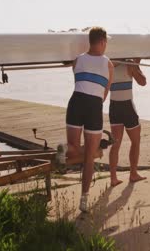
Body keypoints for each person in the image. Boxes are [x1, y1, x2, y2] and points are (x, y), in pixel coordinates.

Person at [56, 27, 114, 212]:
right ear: (103, 42)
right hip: (94, 107)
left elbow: (76, 74)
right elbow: (105, 94)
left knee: (73, 149)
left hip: (76, 102)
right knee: (89, 156)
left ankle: (64, 148)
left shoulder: (78, 60)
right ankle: (84, 200)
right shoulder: (109, 65)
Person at [108, 59, 147, 186]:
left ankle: (114, 178)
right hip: (127, 107)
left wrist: (135, 65)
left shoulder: (109, 64)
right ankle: (133, 174)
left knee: (116, 145)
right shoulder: (129, 65)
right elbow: (143, 82)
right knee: (135, 142)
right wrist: (136, 65)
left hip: (114, 107)